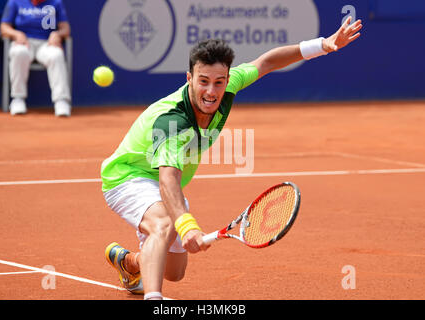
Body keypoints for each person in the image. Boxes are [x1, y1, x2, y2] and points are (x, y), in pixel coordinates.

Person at [102, 17, 363, 300]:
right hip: (127, 177)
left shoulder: (229, 86)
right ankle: (154, 299)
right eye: (203, 82)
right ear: (189, 78)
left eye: (218, 82)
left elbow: (266, 62)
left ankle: (130, 263)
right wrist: (186, 224)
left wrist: (323, 45)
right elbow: (168, 180)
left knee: (175, 271)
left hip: (161, 185)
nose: (211, 92)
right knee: (164, 224)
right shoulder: (171, 121)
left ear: (227, 79)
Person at [0, 0, 72, 116]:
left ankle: (61, 101)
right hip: (24, 43)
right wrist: (16, 34)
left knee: (56, 55)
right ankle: (18, 98)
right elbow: (4, 27)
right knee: (19, 53)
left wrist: (57, 34)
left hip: (46, 44)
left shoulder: (56, 3)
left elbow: (66, 29)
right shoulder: (14, 2)